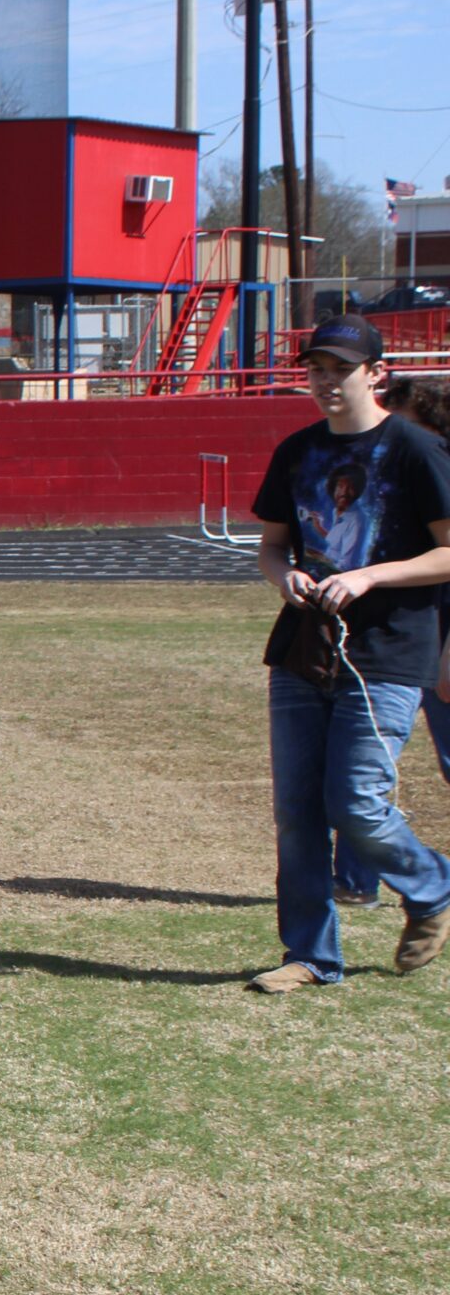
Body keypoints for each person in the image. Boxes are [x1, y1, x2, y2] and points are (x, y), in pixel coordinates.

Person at [248, 316, 450, 991]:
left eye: (341, 368)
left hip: (387, 652)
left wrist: (367, 575)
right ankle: (309, 955)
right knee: (297, 811)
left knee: (356, 802)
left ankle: (430, 884)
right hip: (304, 650)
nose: (327, 381)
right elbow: (273, 547)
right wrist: (288, 578)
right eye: (317, 369)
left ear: (376, 373)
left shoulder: (415, 450)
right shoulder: (297, 451)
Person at [332, 372, 450, 907]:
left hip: (438, 634)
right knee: (361, 769)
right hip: (391, 639)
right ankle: (356, 881)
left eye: (404, 427)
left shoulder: (431, 474)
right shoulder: (387, 486)